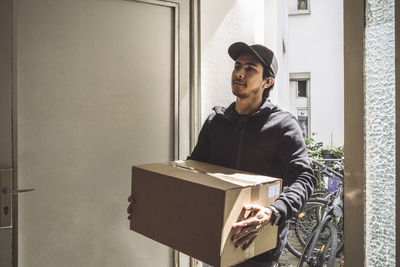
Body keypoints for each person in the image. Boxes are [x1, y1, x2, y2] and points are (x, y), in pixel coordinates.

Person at [128, 42, 316, 267]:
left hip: (257, 249)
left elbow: (304, 178)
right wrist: (152, 203)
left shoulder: (283, 126)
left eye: (250, 68)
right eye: (237, 66)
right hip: (213, 239)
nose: (239, 72)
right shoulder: (216, 123)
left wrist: (273, 211)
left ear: (268, 81)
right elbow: (192, 172)